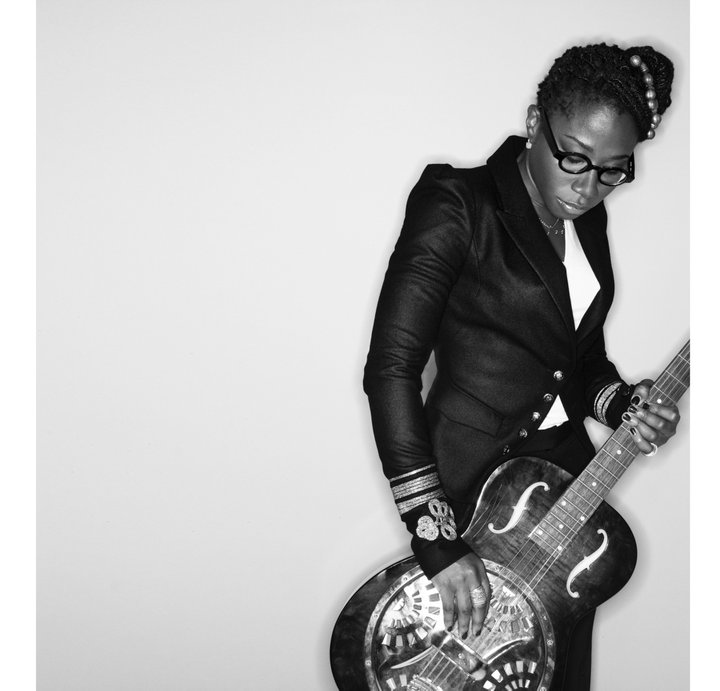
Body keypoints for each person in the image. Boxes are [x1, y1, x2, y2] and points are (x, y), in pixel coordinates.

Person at [362, 42, 680, 690]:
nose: (587, 187)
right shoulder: (459, 203)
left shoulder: (586, 222)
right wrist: (435, 538)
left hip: (564, 486)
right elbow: (391, 369)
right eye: (574, 158)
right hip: (469, 489)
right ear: (536, 122)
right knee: (466, 671)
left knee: (557, 667)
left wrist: (626, 406)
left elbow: (579, 359)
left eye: (612, 170)